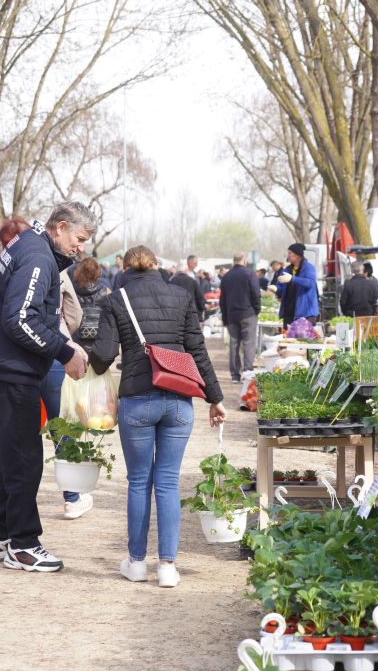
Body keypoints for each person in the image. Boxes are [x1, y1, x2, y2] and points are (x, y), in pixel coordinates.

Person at [89, 245, 225, 588]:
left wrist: (89, 359)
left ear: (125, 268)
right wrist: (215, 398)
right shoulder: (181, 296)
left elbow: (104, 354)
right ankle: (167, 566)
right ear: (156, 266)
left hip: (138, 398)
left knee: (138, 481)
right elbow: (197, 349)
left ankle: (136, 563)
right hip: (179, 400)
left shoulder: (114, 299)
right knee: (167, 482)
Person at [0, 200, 95, 572]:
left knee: (14, 452)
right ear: (60, 227)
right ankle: (23, 544)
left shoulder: (29, 245)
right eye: (79, 238)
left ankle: (0, 533)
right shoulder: (37, 257)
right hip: (13, 369)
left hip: (8, 365)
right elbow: (18, 319)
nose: (82, 248)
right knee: (25, 457)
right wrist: (64, 351)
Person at [39, 263, 87, 520]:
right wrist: (67, 337)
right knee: (62, 428)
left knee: (22, 433)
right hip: (54, 350)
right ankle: (72, 498)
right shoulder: (56, 272)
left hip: (16, 357)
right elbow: (75, 312)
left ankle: (21, 499)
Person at [219, 253, 261, 382]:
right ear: (245, 261)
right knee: (249, 344)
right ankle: (247, 372)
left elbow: (222, 299)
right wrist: (256, 309)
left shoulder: (226, 276)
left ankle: (235, 375)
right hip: (248, 313)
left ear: (234, 261)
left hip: (232, 314)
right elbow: (256, 293)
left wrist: (225, 317)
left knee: (233, 344)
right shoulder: (249, 274)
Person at [275, 243, 319, 327]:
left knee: (303, 339)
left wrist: (292, 279)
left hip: (306, 313)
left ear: (298, 255)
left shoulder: (308, 268)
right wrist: (276, 289)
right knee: (288, 339)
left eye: (290, 253)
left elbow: (309, 283)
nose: (288, 256)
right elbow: (281, 289)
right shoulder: (287, 269)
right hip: (289, 313)